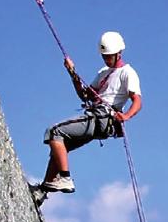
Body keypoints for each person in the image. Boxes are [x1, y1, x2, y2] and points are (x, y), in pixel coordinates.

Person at [31, 31, 142, 204]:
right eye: (104, 56)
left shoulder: (128, 73)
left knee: (54, 131)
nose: (106, 59)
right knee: (60, 147)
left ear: (119, 53)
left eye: (109, 56)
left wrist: (126, 115)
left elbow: (137, 100)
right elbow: (85, 95)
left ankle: (65, 178)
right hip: (95, 117)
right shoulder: (104, 72)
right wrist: (72, 73)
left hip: (103, 118)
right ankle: (44, 191)